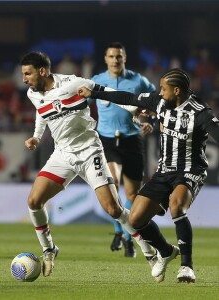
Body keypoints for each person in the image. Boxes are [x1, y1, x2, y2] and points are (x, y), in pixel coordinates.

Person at [20, 51, 163, 280]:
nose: (24, 79)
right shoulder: (32, 93)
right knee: (34, 201)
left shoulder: (72, 83)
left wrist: (135, 109)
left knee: (113, 209)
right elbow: (42, 112)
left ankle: (150, 252)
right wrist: (37, 137)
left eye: (28, 74)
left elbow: (108, 93)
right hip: (62, 154)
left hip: (89, 152)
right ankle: (49, 249)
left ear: (42, 71)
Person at [78, 68, 219, 283]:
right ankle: (165, 251)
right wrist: (94, 93)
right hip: (164, 171)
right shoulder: (160, 102)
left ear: (177, 90)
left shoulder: (200, 112)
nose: (160, 93)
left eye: (164, 89)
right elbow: (128, 97)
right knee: (135, 219)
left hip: (190, 170)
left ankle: (186, 266)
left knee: (176, 205)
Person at [89, 42, 155, 257]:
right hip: (107, 141)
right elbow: (80, 102)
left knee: (133, 193)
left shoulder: (138, 81)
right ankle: (119, 231)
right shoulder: (97, 81)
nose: (115, 60)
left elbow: (156, 100)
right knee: (112, 184)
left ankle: (127, 236)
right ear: (105, 59)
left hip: (132, 139)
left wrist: (147, 119)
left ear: (124, 58)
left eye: (119, 56)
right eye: (111, 56)